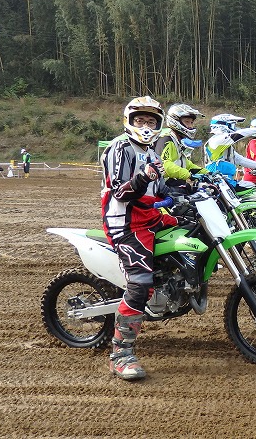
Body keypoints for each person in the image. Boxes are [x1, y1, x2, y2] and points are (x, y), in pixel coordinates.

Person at [100, 96, 178, 381]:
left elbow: (162, 188)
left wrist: (190, 189)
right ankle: (120, 355)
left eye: (151, 121)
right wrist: (144, 177)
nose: (146, 126)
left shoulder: (152, 152)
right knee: (140, 284)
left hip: (149, 216)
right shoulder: (119, 148)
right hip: (125, 223)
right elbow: (119, 191)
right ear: (129, 121)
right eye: (140, 120)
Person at [203, 113, 256, 188]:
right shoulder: (216, 140)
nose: (235, 128)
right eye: (232, 125)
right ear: (222, 126)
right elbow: (238, 134)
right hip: (217, 184)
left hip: (228, 182)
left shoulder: (224, 146)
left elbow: (240, 160)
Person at [155, 104, 205, 195]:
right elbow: (165, 165)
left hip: (175, 185)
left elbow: (186, 164)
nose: (190, 126)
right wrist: (188, 175)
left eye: (191, 122)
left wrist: (207, 173)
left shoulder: (177, 141)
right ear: (175, 121)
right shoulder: (166, 140)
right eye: (187, 122)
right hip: (163, 188)